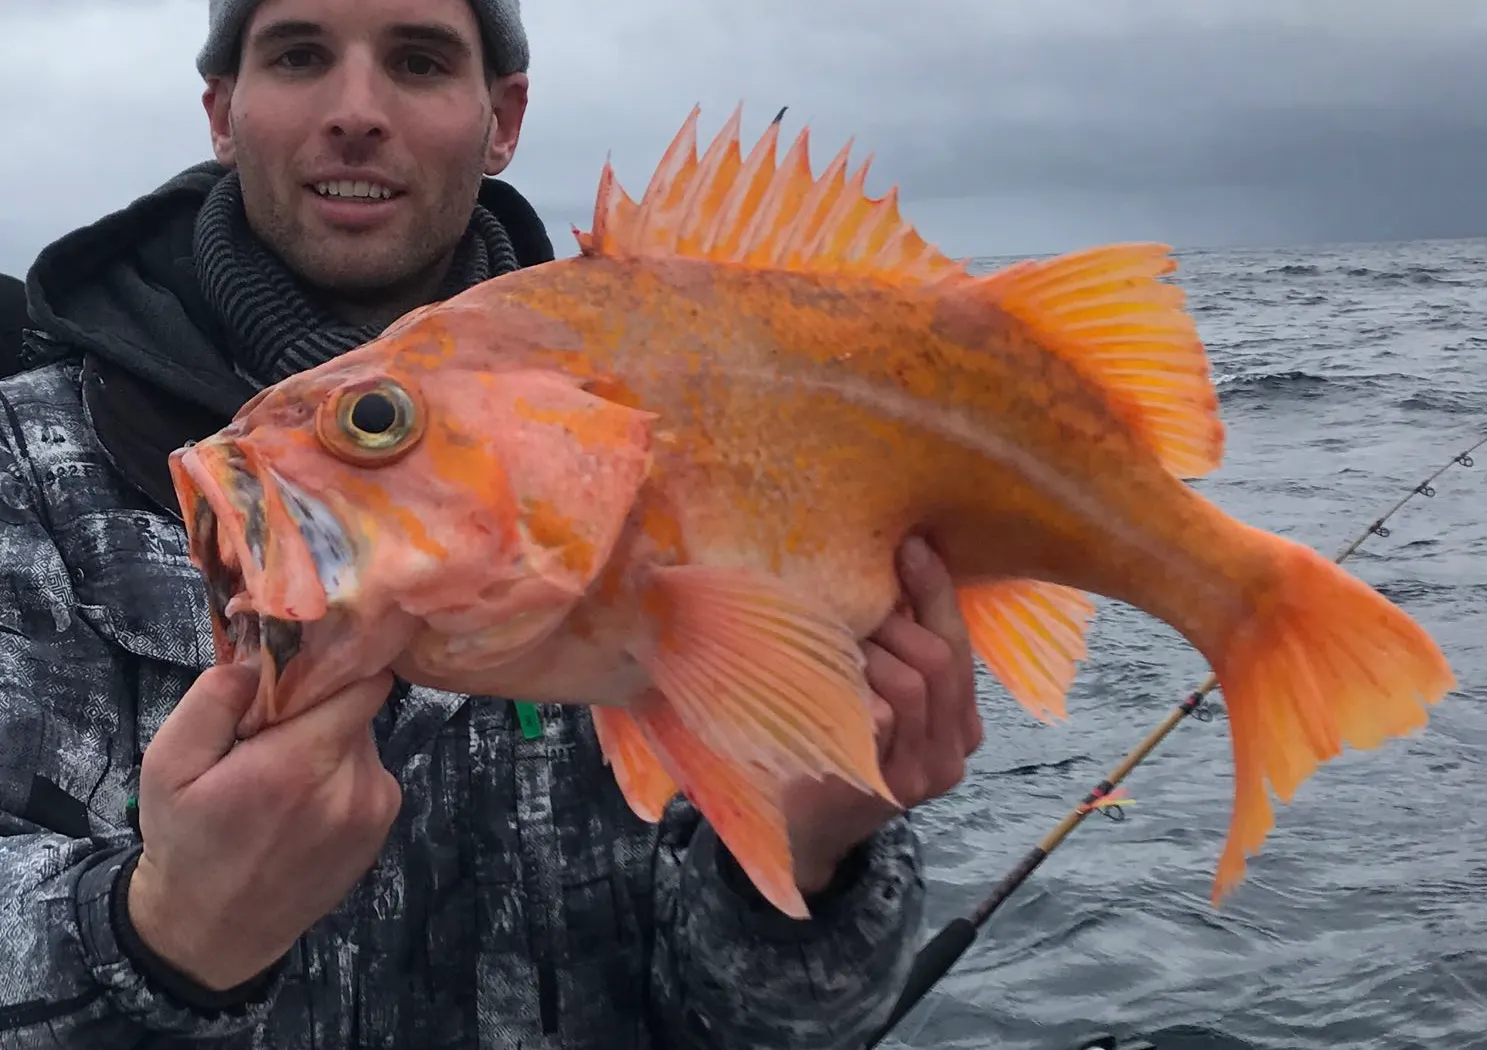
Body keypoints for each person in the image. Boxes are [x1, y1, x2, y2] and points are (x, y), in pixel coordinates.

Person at [0, 0, 983, 1047]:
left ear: (503, 115)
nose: (357, 110)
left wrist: (811, 854)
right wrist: (157, 935)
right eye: (298, 55)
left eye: (420, 61)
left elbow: (760, 1025)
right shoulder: (32, 460)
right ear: (223, 109)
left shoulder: (652, 426)